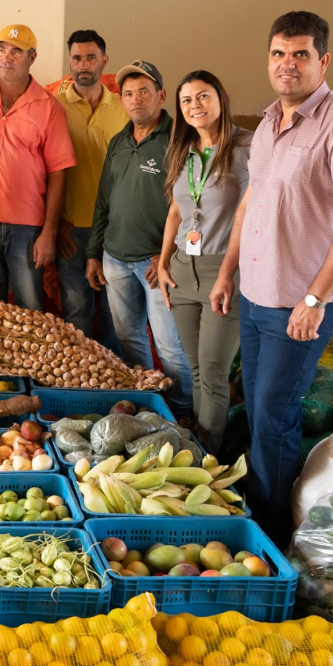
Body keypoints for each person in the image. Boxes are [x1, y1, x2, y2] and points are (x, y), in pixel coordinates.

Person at [215, 11, 333, 547]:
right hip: (258, 292)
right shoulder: (267, 125)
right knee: (260, 404)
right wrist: (227, 272)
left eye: (301, 54)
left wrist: (315, 298)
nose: (287, 64)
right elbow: (250, 205)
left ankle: (271, 534)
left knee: (274, 412)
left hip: (303, 300)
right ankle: (265, 513)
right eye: (278, 54)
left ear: (323, 60)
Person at [86, 61, 193, 417]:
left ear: (162, 96)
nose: (135, 100)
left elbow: (194, 209)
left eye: (144, 91)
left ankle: (181, 414)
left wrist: (167, 257)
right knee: (129, 339)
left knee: (169, 346)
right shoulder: (119, 142)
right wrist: (94, 253)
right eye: (128, 94)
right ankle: (146, 407)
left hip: (156, 265)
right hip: (115, 259)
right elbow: (103, 201)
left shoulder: (180, 141)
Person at [156, 71, 252, 452]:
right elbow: (176, 213)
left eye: (202, 95)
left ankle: (205, 463)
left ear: (221, 96)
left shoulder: (248, 147)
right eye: (186, 100)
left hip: (222, 271)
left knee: (213, 374)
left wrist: (228, 273)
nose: (194, 105)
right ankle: (198, 448)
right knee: (195, 371)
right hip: (182, 270)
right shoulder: (184, 149)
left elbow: (251, 214)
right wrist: (163, 265)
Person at [0, 25, 75, 311]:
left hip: (27, 227)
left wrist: (49, 233)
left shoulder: (49, 108)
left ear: (32, 57)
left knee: (29, 309)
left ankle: (28, 359)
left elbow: (59, 172)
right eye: (1, 49)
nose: (6, 57)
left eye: (16, 51)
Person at [52, 30, 126, 344]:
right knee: (77, 312)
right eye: (77, 58)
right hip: (71, 230)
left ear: (104, 61)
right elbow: (43, 169)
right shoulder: (52, 107)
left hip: (116, 228)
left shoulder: (125, 106)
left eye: (91, 57)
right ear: (70, 61)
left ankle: (113, 386)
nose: (84, 65)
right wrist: (55, 224)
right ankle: (79, 383)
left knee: (115, 314)